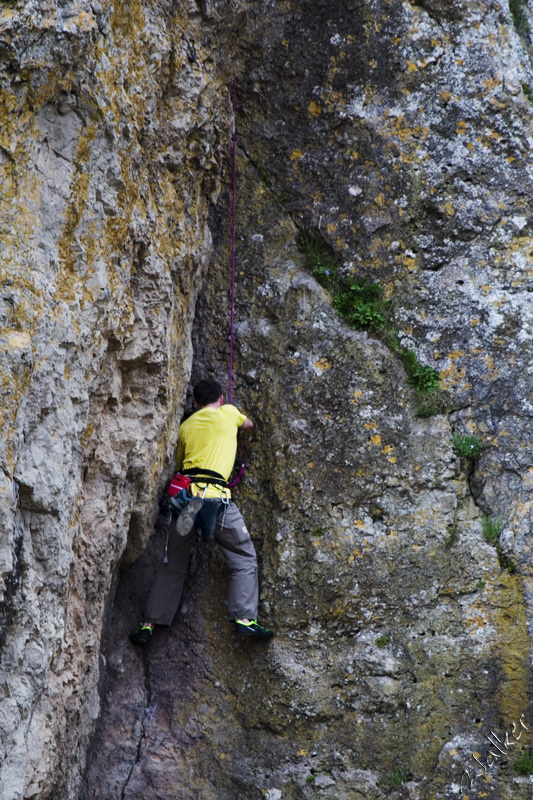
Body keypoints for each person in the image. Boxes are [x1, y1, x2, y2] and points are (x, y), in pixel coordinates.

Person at [130, 378, 274, 643]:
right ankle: (245, 619)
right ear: (220, 399)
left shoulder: (185, 427)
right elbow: (249, 426)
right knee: (243, 556)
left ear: (194, 403)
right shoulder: (228, 413)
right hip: (218, 499)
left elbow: (180, 464)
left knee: (171, 563)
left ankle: (149, 623)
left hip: (188, 500)